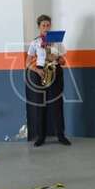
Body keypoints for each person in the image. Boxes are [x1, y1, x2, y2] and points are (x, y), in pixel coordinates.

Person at [26, 14, 70, 146]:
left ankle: (61, 135)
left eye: (48, 25)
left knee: (57, 104)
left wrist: (56, 58)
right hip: (40, 72)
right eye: (43, 25)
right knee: (40, 105)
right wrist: (37, 70)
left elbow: (63, 61)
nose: (46, 27)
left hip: (55, 70)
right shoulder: (35, 42)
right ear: (39, 27)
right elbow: (28, 62)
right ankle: (41, 136)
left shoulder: (57, 42)